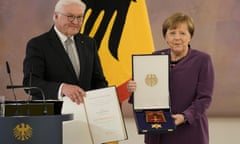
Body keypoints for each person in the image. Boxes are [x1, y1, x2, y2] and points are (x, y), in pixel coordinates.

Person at [127, 12, 214, 144]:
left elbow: (204, 99)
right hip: (157, 131)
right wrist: (135, 89)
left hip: (190, 131)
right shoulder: (154, 57)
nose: (177, 38)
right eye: (172, 33)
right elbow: (146, 95)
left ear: (190, 36)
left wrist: (185, 116)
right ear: (165, 37)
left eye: (183, 33)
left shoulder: (202, 60)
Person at [23, 0, 108, 104]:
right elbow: (30, 83)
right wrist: (62, 88)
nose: (76, 22)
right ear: (56, 16)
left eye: (79, 17)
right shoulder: (38, 45)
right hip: (52, 114)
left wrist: (105, 101)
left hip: (85, 113)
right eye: (70, 16)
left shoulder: (89, 43)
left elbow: (98, 81)